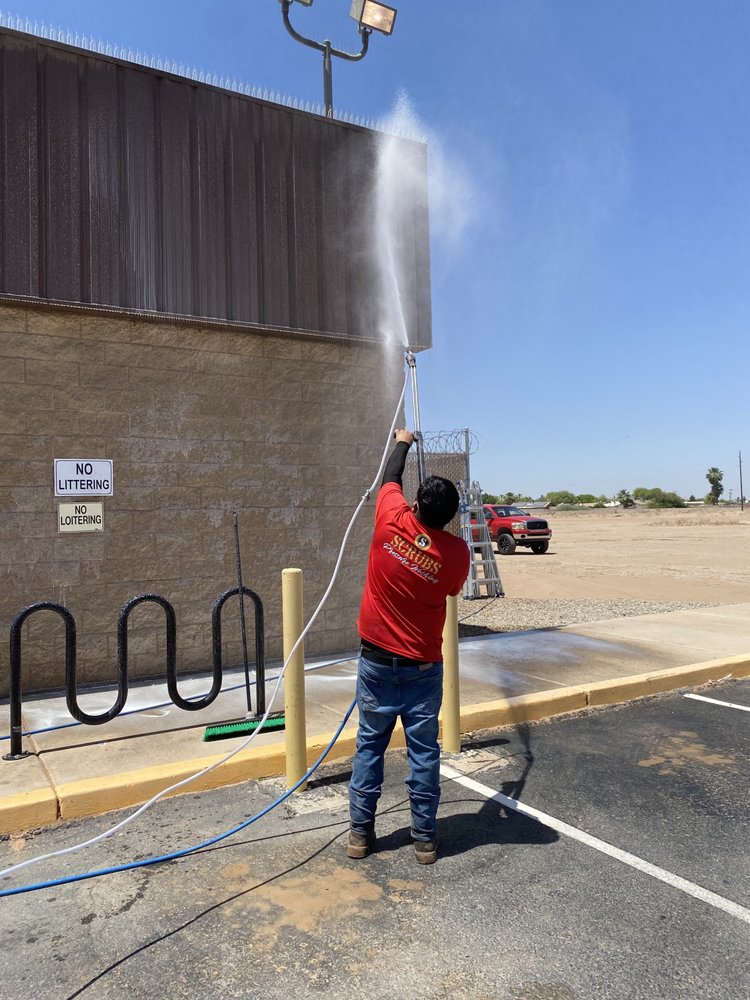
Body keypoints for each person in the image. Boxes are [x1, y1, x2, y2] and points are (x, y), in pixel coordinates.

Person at [348, 429, 470, 865]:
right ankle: (424, 841)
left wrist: (403, 441)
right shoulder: (456, 554)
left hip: (377, 664)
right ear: (450, 518)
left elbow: (389, 478)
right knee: (423, 755)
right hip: (422, 670)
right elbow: (451, 589)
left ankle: (360, 836)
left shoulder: (390, 517)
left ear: (415, 505)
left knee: (369, 748)